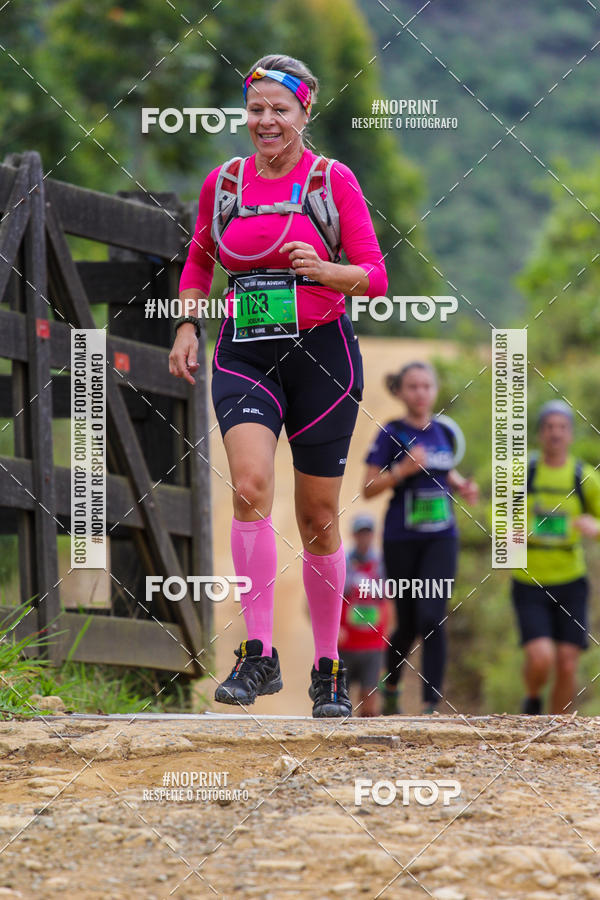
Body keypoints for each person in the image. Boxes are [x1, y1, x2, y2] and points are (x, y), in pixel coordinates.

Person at [169, 55, 387, 717]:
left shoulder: (331, 180)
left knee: (318, 520)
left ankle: (326, 668)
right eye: (257, 108)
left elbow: (374, 277)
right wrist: (187, 323)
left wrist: (323, 268)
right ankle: (257, 655)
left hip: (322, 357)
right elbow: (200, 259)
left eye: (279, 110)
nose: (266, 121)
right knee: (250, 486)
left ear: (304, 112)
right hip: (245, 353)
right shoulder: (225, 183)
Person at [361, 361, 478, 715]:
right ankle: (392, 685)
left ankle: (430, 705)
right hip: (401, 539)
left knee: (432, 616)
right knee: (408, 623)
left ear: (435, 390)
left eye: (427, 386)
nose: (421, 393)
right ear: (400, 391)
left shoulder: (444, 430)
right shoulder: (390, 433)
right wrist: (402, 470)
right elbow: (367, 488)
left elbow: (445, 470)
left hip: (441, 538)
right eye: (413, 386)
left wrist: (461, 485)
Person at [512, 400, 600, 715]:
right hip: (529, 580)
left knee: (567, 661)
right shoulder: (524, 473)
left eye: (562, 428)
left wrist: (595, 527)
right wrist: (514, 529)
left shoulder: (583, 477)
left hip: (571, 580)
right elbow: (497, 517)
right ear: (539, 434)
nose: (555, 434)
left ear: (571, 434)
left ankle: (557, 727)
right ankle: (533, 699)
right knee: (541, 657)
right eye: (549, 427)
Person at [337, 514, 390, 716]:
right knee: (340, 704)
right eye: (360, 533)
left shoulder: (382, 566)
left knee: (369, 705)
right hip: (345, 645)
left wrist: (388, 636)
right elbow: (316, 604)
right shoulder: (341, 564)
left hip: (372, 646)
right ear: (353, 535)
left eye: (368, 533)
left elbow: (390, 603)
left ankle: (368, 746)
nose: (364, 538)